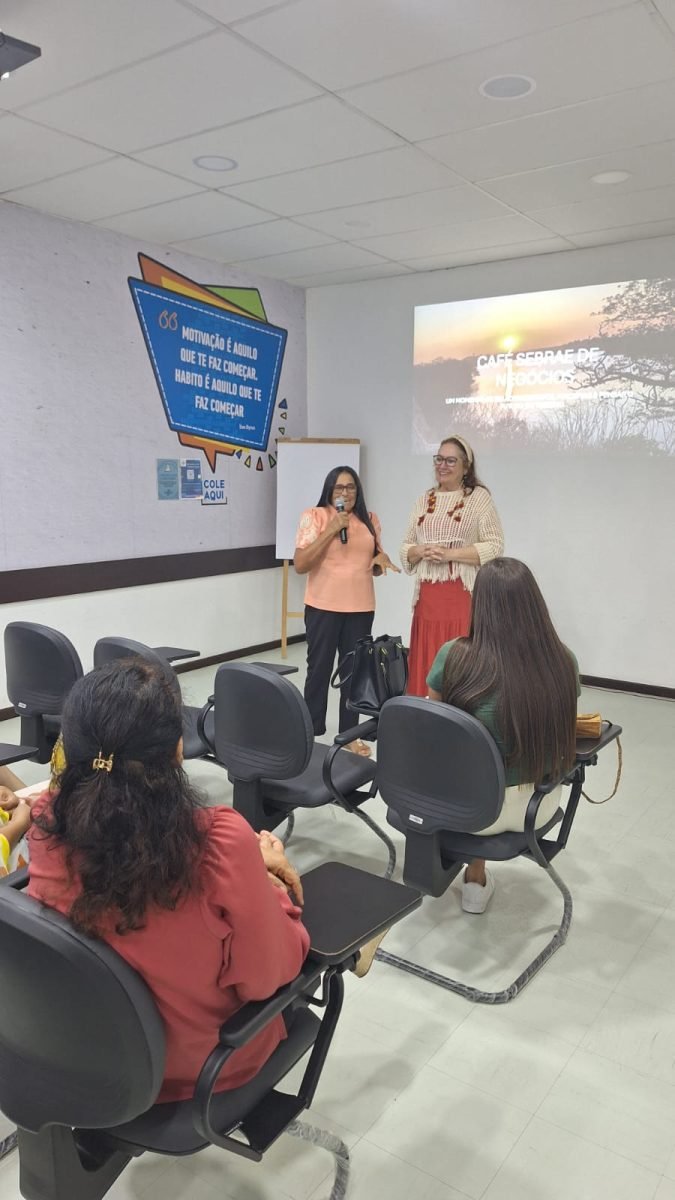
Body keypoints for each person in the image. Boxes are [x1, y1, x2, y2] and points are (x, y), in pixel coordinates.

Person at [27, 658, 310, 1103]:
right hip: (198, 1075)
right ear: (178, 751)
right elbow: (268, 978)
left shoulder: (47, 821)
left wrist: (243, 864)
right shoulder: (217, 842)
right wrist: (267, 885)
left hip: (88, 1054)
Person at [426, 557, 580, 914]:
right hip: (537, 806)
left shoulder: (454, 656)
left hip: (472, 811)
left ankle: (474, 880)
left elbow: (431, 728)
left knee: (472, 764)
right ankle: (476, 877)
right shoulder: (563, 661)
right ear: (535, 603)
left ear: (480, 604)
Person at [294, 465, 400, 755]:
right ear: (330, 490)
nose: (345, 492)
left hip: (360, 607)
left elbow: (373, 561)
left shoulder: (370, 520)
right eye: (339, 487)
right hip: (323, 606)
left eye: (350, 487)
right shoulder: (315, 516)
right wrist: (331, 530)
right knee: (319, 669)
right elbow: (301, 564)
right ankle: (310, 730)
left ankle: (350, 735)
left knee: (354, 673)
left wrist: (380, 561)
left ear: (358, 491)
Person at [400, 435, 503, 696]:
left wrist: (450, 554)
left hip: (461, 596)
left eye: (450, 460)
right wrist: (420, 551)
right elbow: (406, 548)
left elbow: (494, 546)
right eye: (439, 459)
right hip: (427, 599)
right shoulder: (424, 500)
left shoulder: (478, 498)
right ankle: (424, 715)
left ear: (466, 467)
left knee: (457, 660)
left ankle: (456, 717)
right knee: (427, 661)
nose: (442, 465)